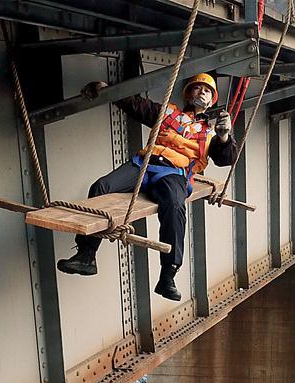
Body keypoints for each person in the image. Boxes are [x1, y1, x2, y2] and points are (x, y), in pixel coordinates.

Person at [56, 73, 238, 301]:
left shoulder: (211, 133)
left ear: (212, 100)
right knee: (101, 186)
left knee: (173, 205)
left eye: (207, 90)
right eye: (197, 88)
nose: (201, 92)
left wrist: (224, 137)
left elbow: (225, 158)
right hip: (144, 164)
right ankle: (86, 255)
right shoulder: (168, 113)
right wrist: (107, 89)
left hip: (173, 173)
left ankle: (167, 275)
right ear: (187, 94)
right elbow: (136, 106)